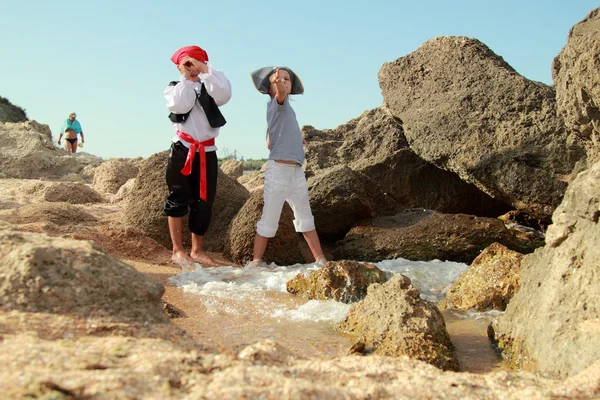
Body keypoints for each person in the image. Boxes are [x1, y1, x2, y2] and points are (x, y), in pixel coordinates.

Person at [249, 66, 327, 267]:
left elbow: (269, 142)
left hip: (296, 173)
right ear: (271, 87)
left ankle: (321, 261)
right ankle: (256, 262)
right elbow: (280, 93)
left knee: (305, 217)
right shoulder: (277, 104)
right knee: (269, 219)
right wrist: (279, 86)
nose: (283, 82)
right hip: (278, 173)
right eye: (279, 79)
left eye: (287, 79)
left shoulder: (286, 112)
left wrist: (294, 139)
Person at [164, 45, 232, 266]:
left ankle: (197, 250)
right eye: (187, 64)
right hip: (183, 148)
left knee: (204, 200)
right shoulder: (174, 88)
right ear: (178, 67)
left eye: (196, 63)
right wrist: (186, 78)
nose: (192, 69)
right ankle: (177, 249)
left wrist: (204, 69)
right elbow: (179, 105)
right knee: (178, 196)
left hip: (207, 150)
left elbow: (224, 95)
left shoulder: (210, 87)